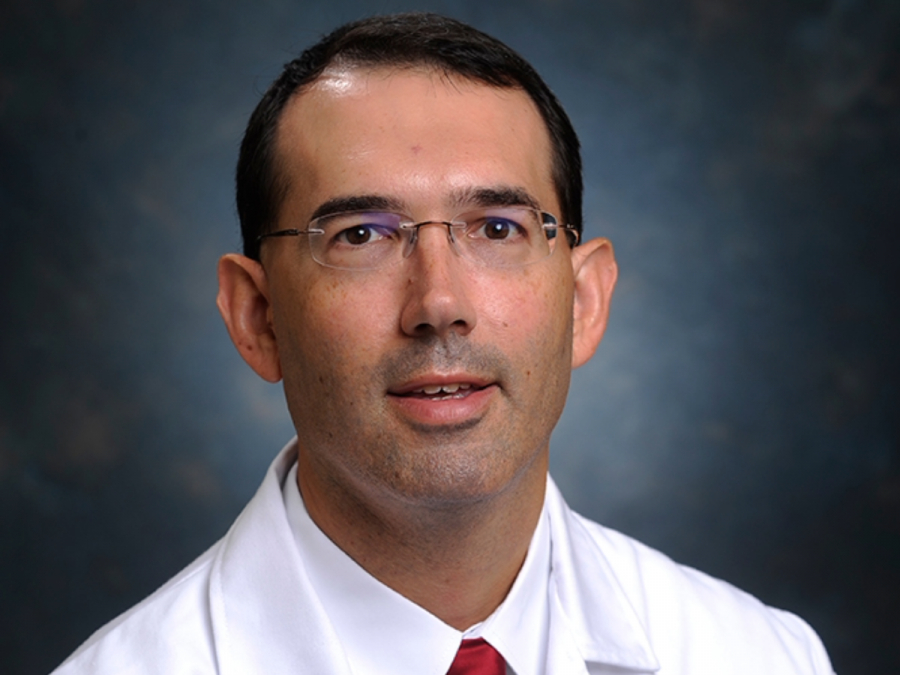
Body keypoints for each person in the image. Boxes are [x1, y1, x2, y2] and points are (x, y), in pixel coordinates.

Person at [52, 12, 835, 675]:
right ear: (258, 318)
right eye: (361, 234)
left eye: (497, 228)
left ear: (584, 302)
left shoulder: (762, 655)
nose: (439, 304)